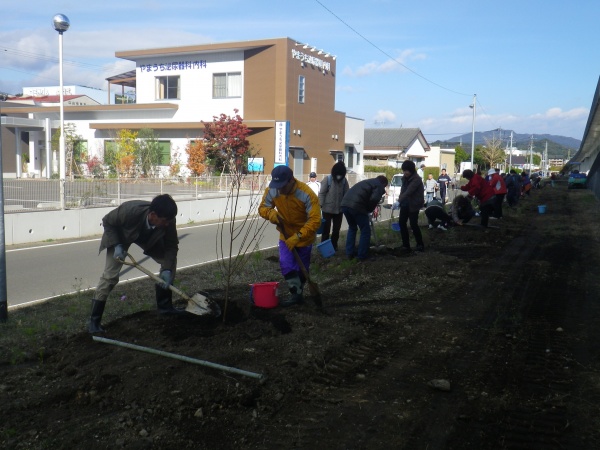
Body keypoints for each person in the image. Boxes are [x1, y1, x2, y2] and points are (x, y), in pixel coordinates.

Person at [89, 194, 180, 333]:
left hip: (149, 238)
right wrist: (117, 245)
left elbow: (171, 245)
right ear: (153, 214)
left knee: (170, 261)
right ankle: (94, 322)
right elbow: (107, 221)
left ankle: (165, 308)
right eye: (165, 220)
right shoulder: (129, 211)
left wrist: (167, 270)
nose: (167, 223)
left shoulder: (168, 220)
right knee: (110, 277)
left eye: (169, 220)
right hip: (121, 236)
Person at [259, 165, 321, 307]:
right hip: (285, 235)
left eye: (283, 186)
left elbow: (315, 220)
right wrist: (271, 214)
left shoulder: (306, 194)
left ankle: (299, 292)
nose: (280, 189)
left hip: (304, 236)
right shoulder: (273, 190)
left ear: (291, 180)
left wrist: (298, 236)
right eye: (277, 186)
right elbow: (263, 208)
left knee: (302, 270)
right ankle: (295, 294)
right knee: (286, 265)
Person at [341, 175, 388, 261]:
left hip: (345, 204)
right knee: (365, 230)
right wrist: (369, 209)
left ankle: (349, 253)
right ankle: (362, 255)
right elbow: (374, 199)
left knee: (352, 228)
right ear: (384, 183)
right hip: (356, 206)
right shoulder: (379, 185)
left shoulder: (368, 181)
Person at [318, 161, 349, 251]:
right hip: (327, 209)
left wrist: (345, 206)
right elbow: (322, 194)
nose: (339, 176)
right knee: (326, 230)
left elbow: (347, 194)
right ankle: (324, 247)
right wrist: (320, 205)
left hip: (339, 210)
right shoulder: (327, 179)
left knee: (336, 230)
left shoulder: (344, 181)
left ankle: (334, 247)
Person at [397, 160, 425, 252]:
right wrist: (399, 201)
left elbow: (409, 191)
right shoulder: (404, 178)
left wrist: (399, 201)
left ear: (412, 170)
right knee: (401, 223)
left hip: (414, 205)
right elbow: (403, 191)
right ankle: (406, 245)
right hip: (405, 204)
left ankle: (420, 244)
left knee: (413, 224)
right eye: (404, 170)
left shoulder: (416, 179)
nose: (405, 172)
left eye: (407, 170)